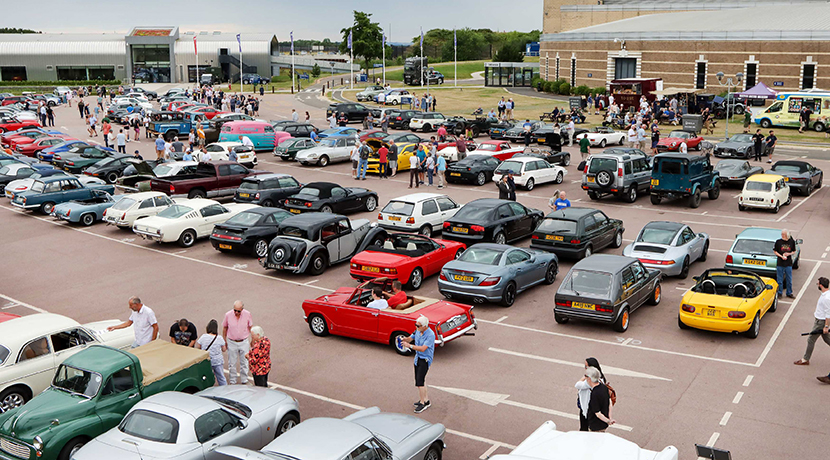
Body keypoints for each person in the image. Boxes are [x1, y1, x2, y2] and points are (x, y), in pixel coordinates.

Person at [401, 316, 435, 413]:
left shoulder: (430, 335)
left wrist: (410, 346)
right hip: (418, 358)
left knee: (420, 382)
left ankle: (422, 403)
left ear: (425, 326)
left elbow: (423, 348)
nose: (416, 327)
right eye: (416, 325)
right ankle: (426, 400)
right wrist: (404, 339)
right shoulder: (417, 331)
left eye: (418, 326)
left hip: (425, 359)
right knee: (420, 380)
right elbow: (410, 338)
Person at [794, 277, 830, 366]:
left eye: (818, 284)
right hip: (819, 321)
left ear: (821, 285)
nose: (817, 285)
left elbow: (828, 313)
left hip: (820, 322)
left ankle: (805, 359)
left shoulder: (826, 298)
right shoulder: (826, 294)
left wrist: (826, 326)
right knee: (827, 339)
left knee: (811, 339)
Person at [223, 300, 253, 385]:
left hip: (243, 341)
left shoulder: (248, 314)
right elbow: (225, 328)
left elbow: (250, 327)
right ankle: (233, 381)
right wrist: (224, 340)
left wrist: (252, 340)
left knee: (244, 362)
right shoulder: (228, 315)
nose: (236, 312)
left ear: (242, 309)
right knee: (232, 363)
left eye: (238, 311)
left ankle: (244, 379)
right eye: (235, 310)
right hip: (232, 341)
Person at [575, 358, 608, 431]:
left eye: (586, 367)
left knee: (584, 427)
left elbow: (577, 385)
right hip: (590, 406)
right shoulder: (600, 378)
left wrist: (584, 377)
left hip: (587, 406)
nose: (585, 368)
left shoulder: (590, 382)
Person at [195, 321, 228, 387]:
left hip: (207, 360)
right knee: (221, 377)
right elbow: (224, 349)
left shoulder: (203, 337)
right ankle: (224, 389)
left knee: (206, 377)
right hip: (217, 361)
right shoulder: (219, 338)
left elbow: (198, 347)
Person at [585, 367, 615, 432]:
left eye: (586, 376)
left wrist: (608, 421)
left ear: (589, 378)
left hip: (595, 426)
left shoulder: (595, 393)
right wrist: (610, 418)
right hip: (603, 424)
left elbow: (597, 413)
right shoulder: (604, 387)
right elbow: (610, 403)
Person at [774, 230, 797, 299]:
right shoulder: (778, 242)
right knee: (779, 279)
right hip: (780, 263)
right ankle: (780, 293)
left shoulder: (791, 242)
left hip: (788, 263)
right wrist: (781, 256)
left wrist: (788, 254)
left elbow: (794, 251)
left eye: (784, 234)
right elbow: (775, 251)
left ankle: (789, 292)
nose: (782, 236)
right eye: (782, 234)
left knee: (789, 279)